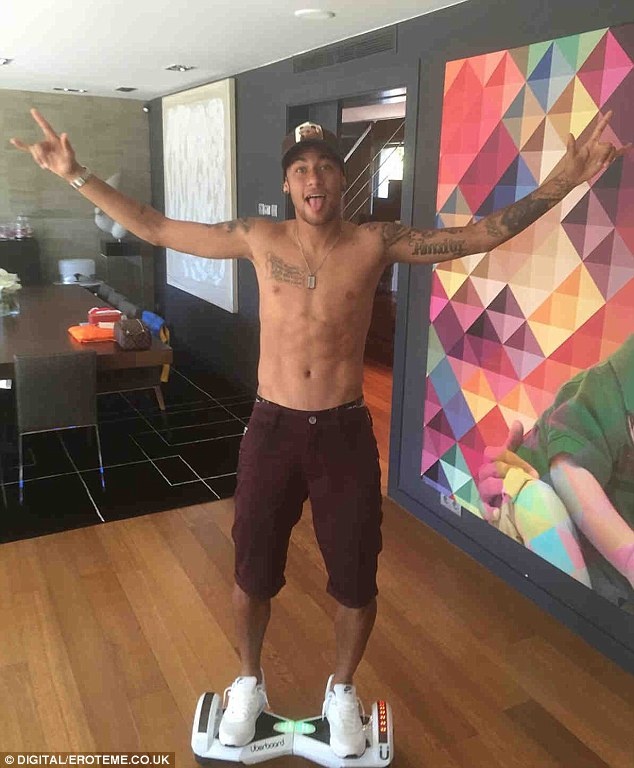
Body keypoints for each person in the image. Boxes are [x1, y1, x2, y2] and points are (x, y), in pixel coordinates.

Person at [11, 109, 629, 758]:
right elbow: (158, 226)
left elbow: (476, 236)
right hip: (271, 428)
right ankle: (247, 683)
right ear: (288, 184)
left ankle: (342, 690)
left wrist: (564, 180)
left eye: (327, 167)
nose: (314, 178)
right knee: (252, 570)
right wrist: (75, 174)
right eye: (302, 169)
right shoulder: (258, 237)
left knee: (357, 577)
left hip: (344, 432)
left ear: (341, 180)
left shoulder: (375, 242)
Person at [477, 336, 634, 611]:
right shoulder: (607, 386)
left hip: (603, 568)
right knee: (539, 503)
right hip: (532, 497)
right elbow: (568, 471)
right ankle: (575, 618)